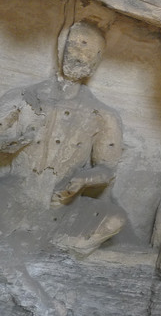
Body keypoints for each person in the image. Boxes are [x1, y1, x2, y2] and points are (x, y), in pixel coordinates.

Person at [0, 20, 125, 255]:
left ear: (98, 59)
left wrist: (83, 180)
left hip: (63, 207)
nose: (79, 54)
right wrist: (11, 140)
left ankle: (53, 245)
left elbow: (107, 169)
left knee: (114, 218)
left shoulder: (103, 115)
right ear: (61, 48)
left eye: (88, 49)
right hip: (13, 194)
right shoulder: (22, 97)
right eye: (74, 45)